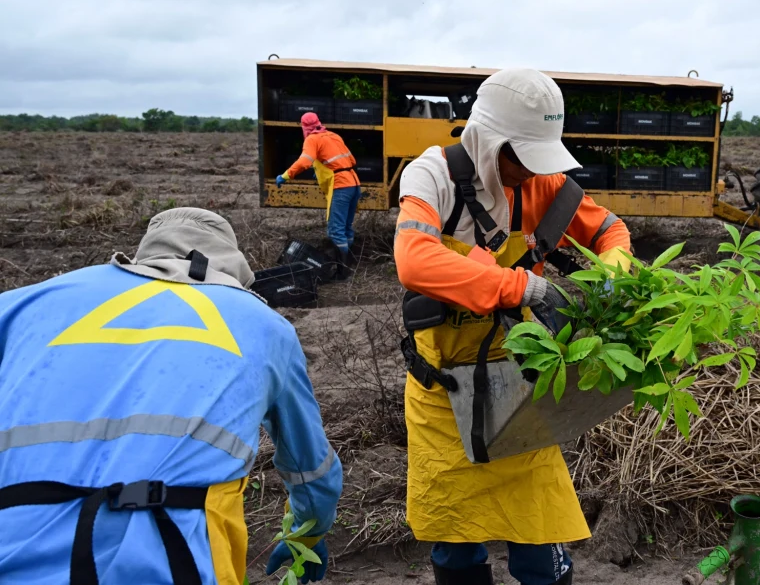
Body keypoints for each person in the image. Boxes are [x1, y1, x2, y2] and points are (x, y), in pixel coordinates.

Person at [0, 208, 342, 584]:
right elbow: (312, 470)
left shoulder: (21, 303)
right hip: (172, 560)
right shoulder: (264, 327)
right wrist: (307, 533)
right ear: (233, 266)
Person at [393, 69, 632, 585]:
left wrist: (613, 273)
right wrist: (521, 288)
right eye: (519, 156)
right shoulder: (431, 178)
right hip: (442, 391)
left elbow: (610, 229)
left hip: (521, 391)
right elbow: (414, 262)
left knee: (539, 539)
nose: (528, 171)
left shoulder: (543, 183)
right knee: (455, 543)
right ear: (487, 139)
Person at [276, 112, 361, 277]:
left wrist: (285, 176)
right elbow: (351, 161)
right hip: (354, 184)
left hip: (341, 186)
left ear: (304, 127)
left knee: (336, 231)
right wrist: (322, 170)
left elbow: (304, 162)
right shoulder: (334, 136)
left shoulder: (312, 139)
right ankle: (349, 267)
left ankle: (343, 273)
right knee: (346, 228)